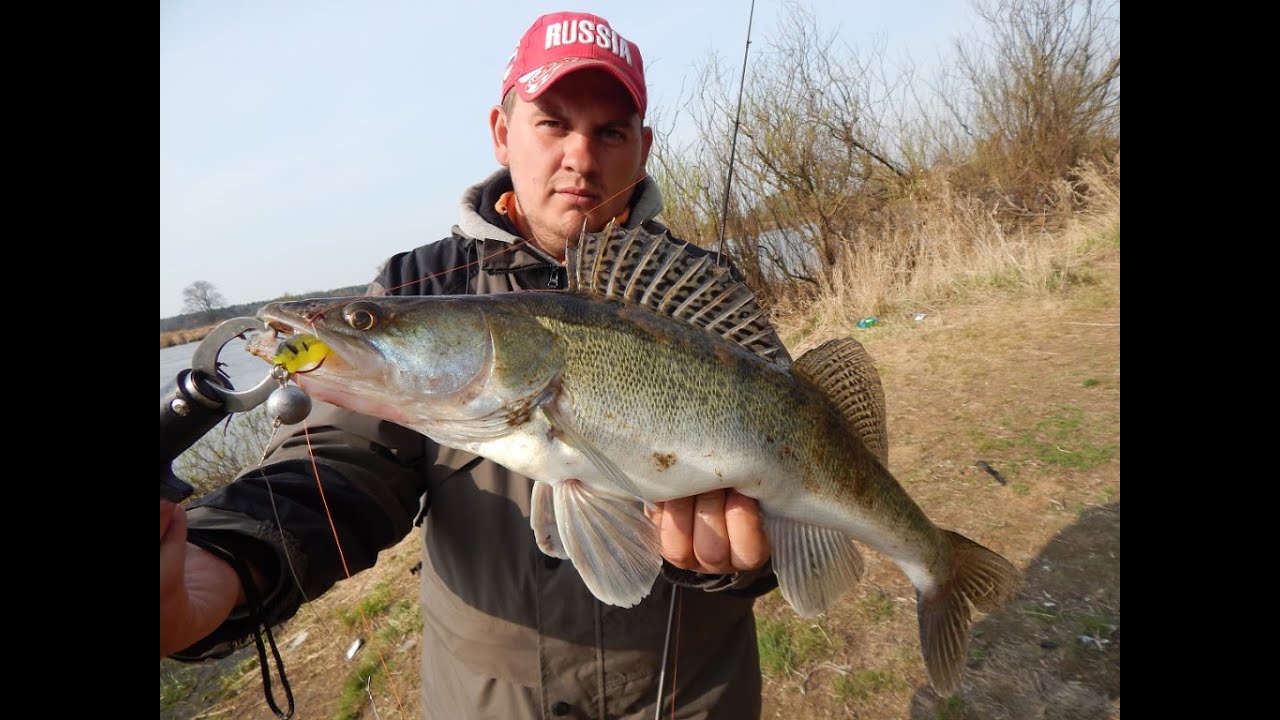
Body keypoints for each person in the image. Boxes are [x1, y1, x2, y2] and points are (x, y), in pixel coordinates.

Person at [160, 11, 785, 719]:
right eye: (553, 122)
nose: (581, 155)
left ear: (642, 150)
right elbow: (337, 464)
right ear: (502, 131)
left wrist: (734, 568)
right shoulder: (420, 284)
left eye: (610, 131)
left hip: (695, 692)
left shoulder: (702, 290)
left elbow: (788, 487)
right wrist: (220, 562)